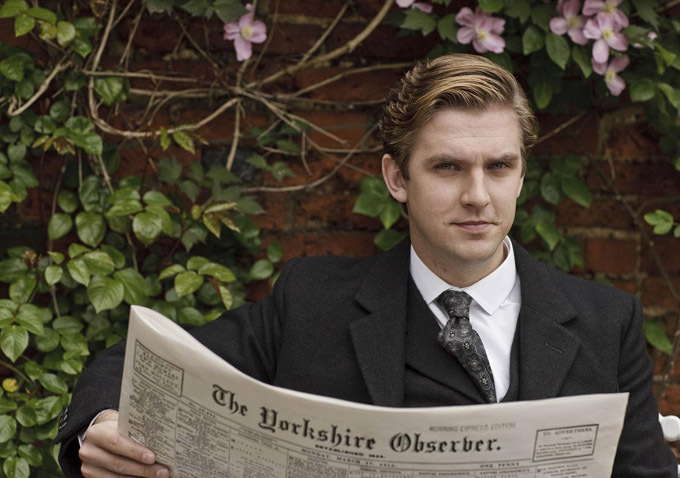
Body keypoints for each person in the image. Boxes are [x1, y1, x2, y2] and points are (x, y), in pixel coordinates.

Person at [55, 53, 678, 477]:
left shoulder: (606, 321)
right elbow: (137, 361)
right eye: (447, 167)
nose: (478, 196)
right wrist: (100, 425)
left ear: (521, 171)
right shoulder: (312, 303)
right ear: (396, 177)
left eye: (499, 166)